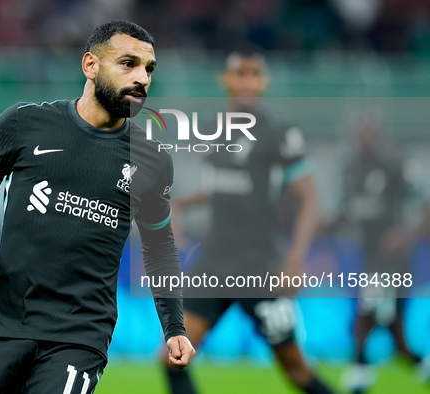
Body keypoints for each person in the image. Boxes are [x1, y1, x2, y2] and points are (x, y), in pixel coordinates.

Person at [0, 20, 195, 394]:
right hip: (4, 321)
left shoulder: (152, 159)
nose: (142, 78)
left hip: (80, 333)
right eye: (128, 64)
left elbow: (159, 249)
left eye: (149, 69)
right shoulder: (25, 123)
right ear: (90, 66)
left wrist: (174, 328)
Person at [161, 47, 335, 394]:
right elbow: (221, 189)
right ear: (226, 79)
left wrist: (296, 257)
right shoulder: (212, 130)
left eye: (255, 74)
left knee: (297, 371)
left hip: (261, 267)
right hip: (216, 262)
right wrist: (178, 204)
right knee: (173, 358)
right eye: (240, 74)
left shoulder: (279, 134)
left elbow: (311, 199)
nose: (247, 82)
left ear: (263, 81)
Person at [332, 112, 427, 394]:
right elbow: (348, 211)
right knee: (394, 329)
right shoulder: (351, 169)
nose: (365, 136)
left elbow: (423, 205)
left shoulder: (393, 164)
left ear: (380, 133)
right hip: (369, 254)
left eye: (370, 131)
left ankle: (359, 369)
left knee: (367, 309)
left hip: (393, 259)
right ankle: (416, 363)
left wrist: (406, 234)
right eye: (361, 131)